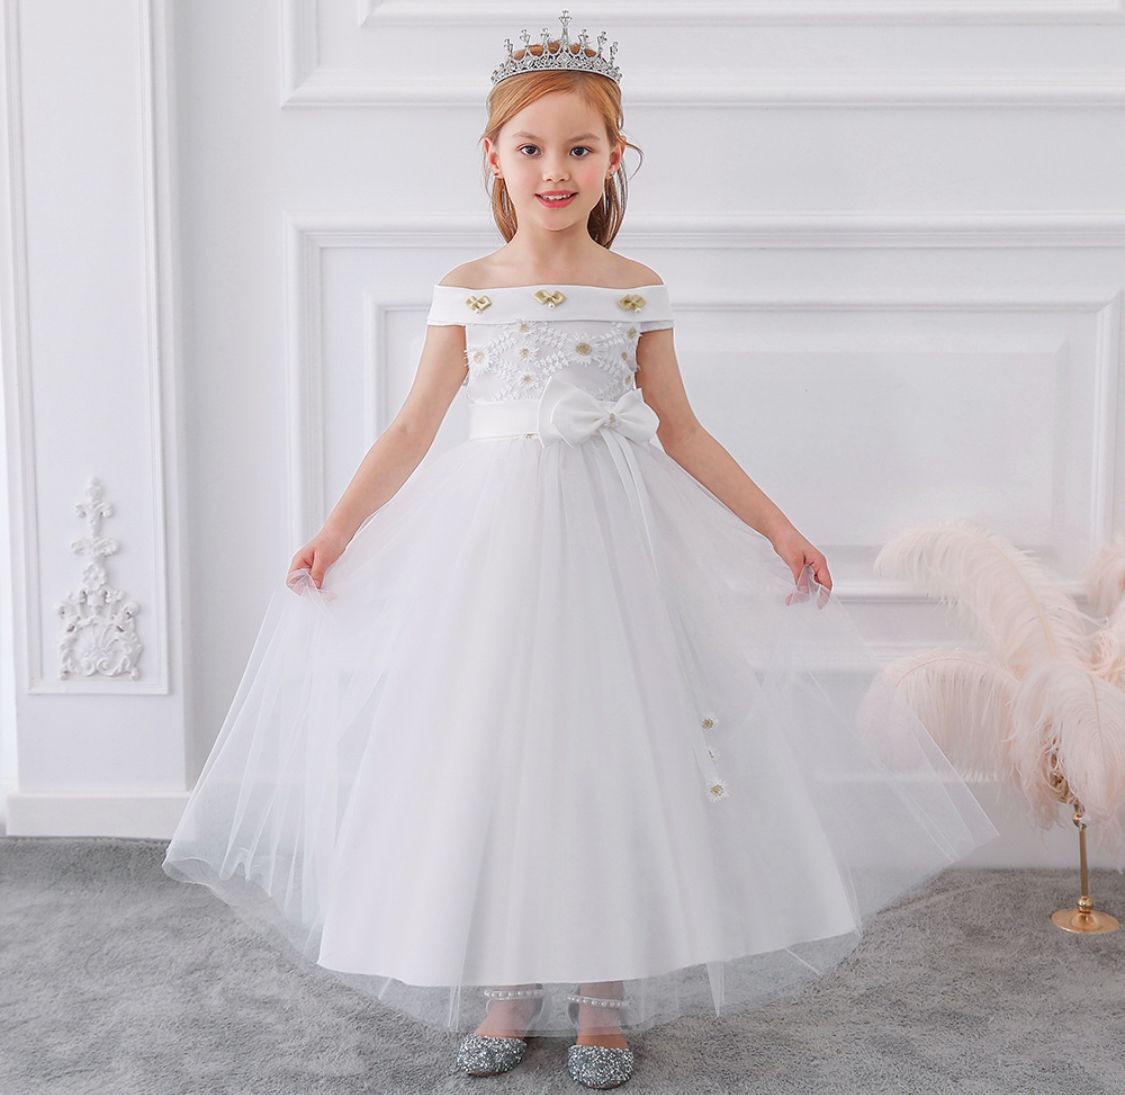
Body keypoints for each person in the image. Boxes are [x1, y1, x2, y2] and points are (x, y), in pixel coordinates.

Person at [162, 9, 1000, 1090]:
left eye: (579, 148)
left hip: (612, 545)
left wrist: (778, 526)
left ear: (615, 158)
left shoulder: (634, 287)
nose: (554, 170)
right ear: (493, 156)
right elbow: (413, 428)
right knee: (495, 755)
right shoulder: (469, 288)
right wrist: (336, 530)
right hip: (493, 552)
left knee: (608, 757)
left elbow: (682, 430)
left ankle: (603, 994)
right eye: (531, 148)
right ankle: (508, 983)